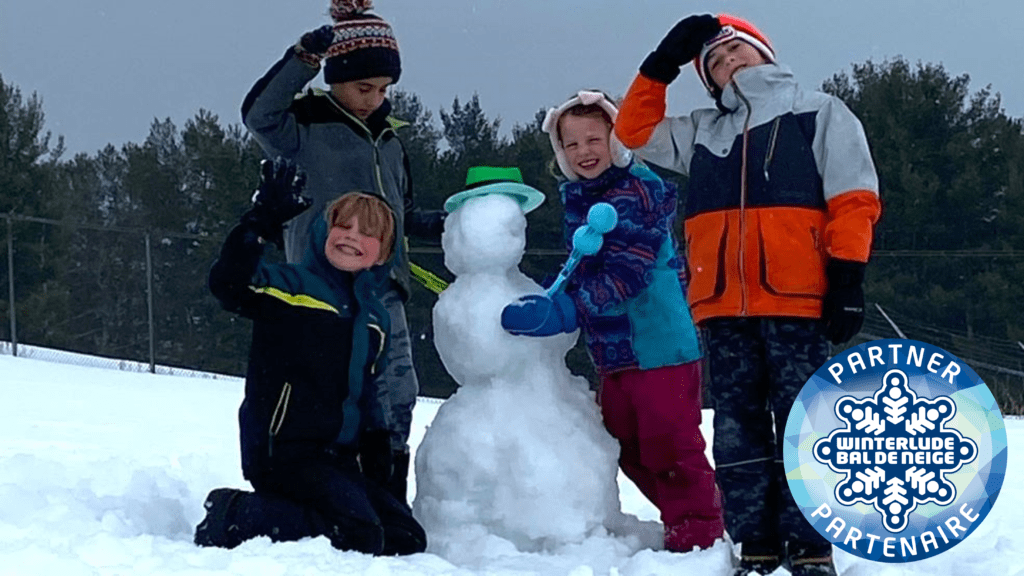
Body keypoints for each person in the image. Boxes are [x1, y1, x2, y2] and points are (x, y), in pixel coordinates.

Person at [614, 13, 882, 576]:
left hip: (798, 301)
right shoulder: (701, 130)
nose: (727, 61)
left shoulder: (819, 111)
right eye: (713, 61)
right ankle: (754, 541)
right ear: (706, 81)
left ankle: (810, 544)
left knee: (807, 425)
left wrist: (849, 275)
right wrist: (660, 64)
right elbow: (633, 135)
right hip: (722, 305)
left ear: (765, 53)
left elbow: (854, 196)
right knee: (738, 427)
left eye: (736, 50)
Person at [500, 90, 724, 553]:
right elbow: (584, 265)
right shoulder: (584, 200)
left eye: (593, 139)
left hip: (659, 346)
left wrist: (568, 310)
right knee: (623, 441)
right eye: (572, 144)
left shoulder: (636, 193)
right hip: (615, 354)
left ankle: (700, 531)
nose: (584, 152)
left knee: (670, 443)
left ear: (617, 141)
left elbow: (628, 271)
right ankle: (689, 514)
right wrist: (551, 291)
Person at [241, 0, 445, 506]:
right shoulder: (303, 128)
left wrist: (444, 226)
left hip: (383, 290)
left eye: (384, 90)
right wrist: (302, 60)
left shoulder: (391, 141)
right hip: (320, 292)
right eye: (363, 88)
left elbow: (399, 214)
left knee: (396, 393)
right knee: (330, 396)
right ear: (336, 77)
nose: (374, 100)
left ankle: (386, 494)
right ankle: (319, 490)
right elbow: (258, 114)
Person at [194, 157, 426, 556]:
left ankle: (306, 513)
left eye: (367, 232)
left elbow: (368, 391)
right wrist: (257, 225)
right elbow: (228, 285)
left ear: (383, 253)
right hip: (283, 452)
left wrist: (377, 452)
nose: (351, 236)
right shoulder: (291, 288)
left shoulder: (375, 318)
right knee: (358, 533)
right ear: (323, 231)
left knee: (405, 537)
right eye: (343, 225)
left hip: (336, 459)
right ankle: (233, 511)